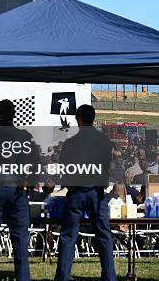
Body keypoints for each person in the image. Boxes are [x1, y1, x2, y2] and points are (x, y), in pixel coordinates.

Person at [0, 99, 40, 281]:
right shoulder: (25, 136)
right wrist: (29, 184)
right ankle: (23, 278)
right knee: (20, 238)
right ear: (14, 114)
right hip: (17, 190)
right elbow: (36, 163)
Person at [55, 105, 116, 281]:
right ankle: (110, 277)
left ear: (80, 120)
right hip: (96, 192)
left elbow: (65, 168)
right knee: (104, 235)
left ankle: (62, 277)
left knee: (68, 236)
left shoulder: (70, 143)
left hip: (76, 193)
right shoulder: (104, 141)